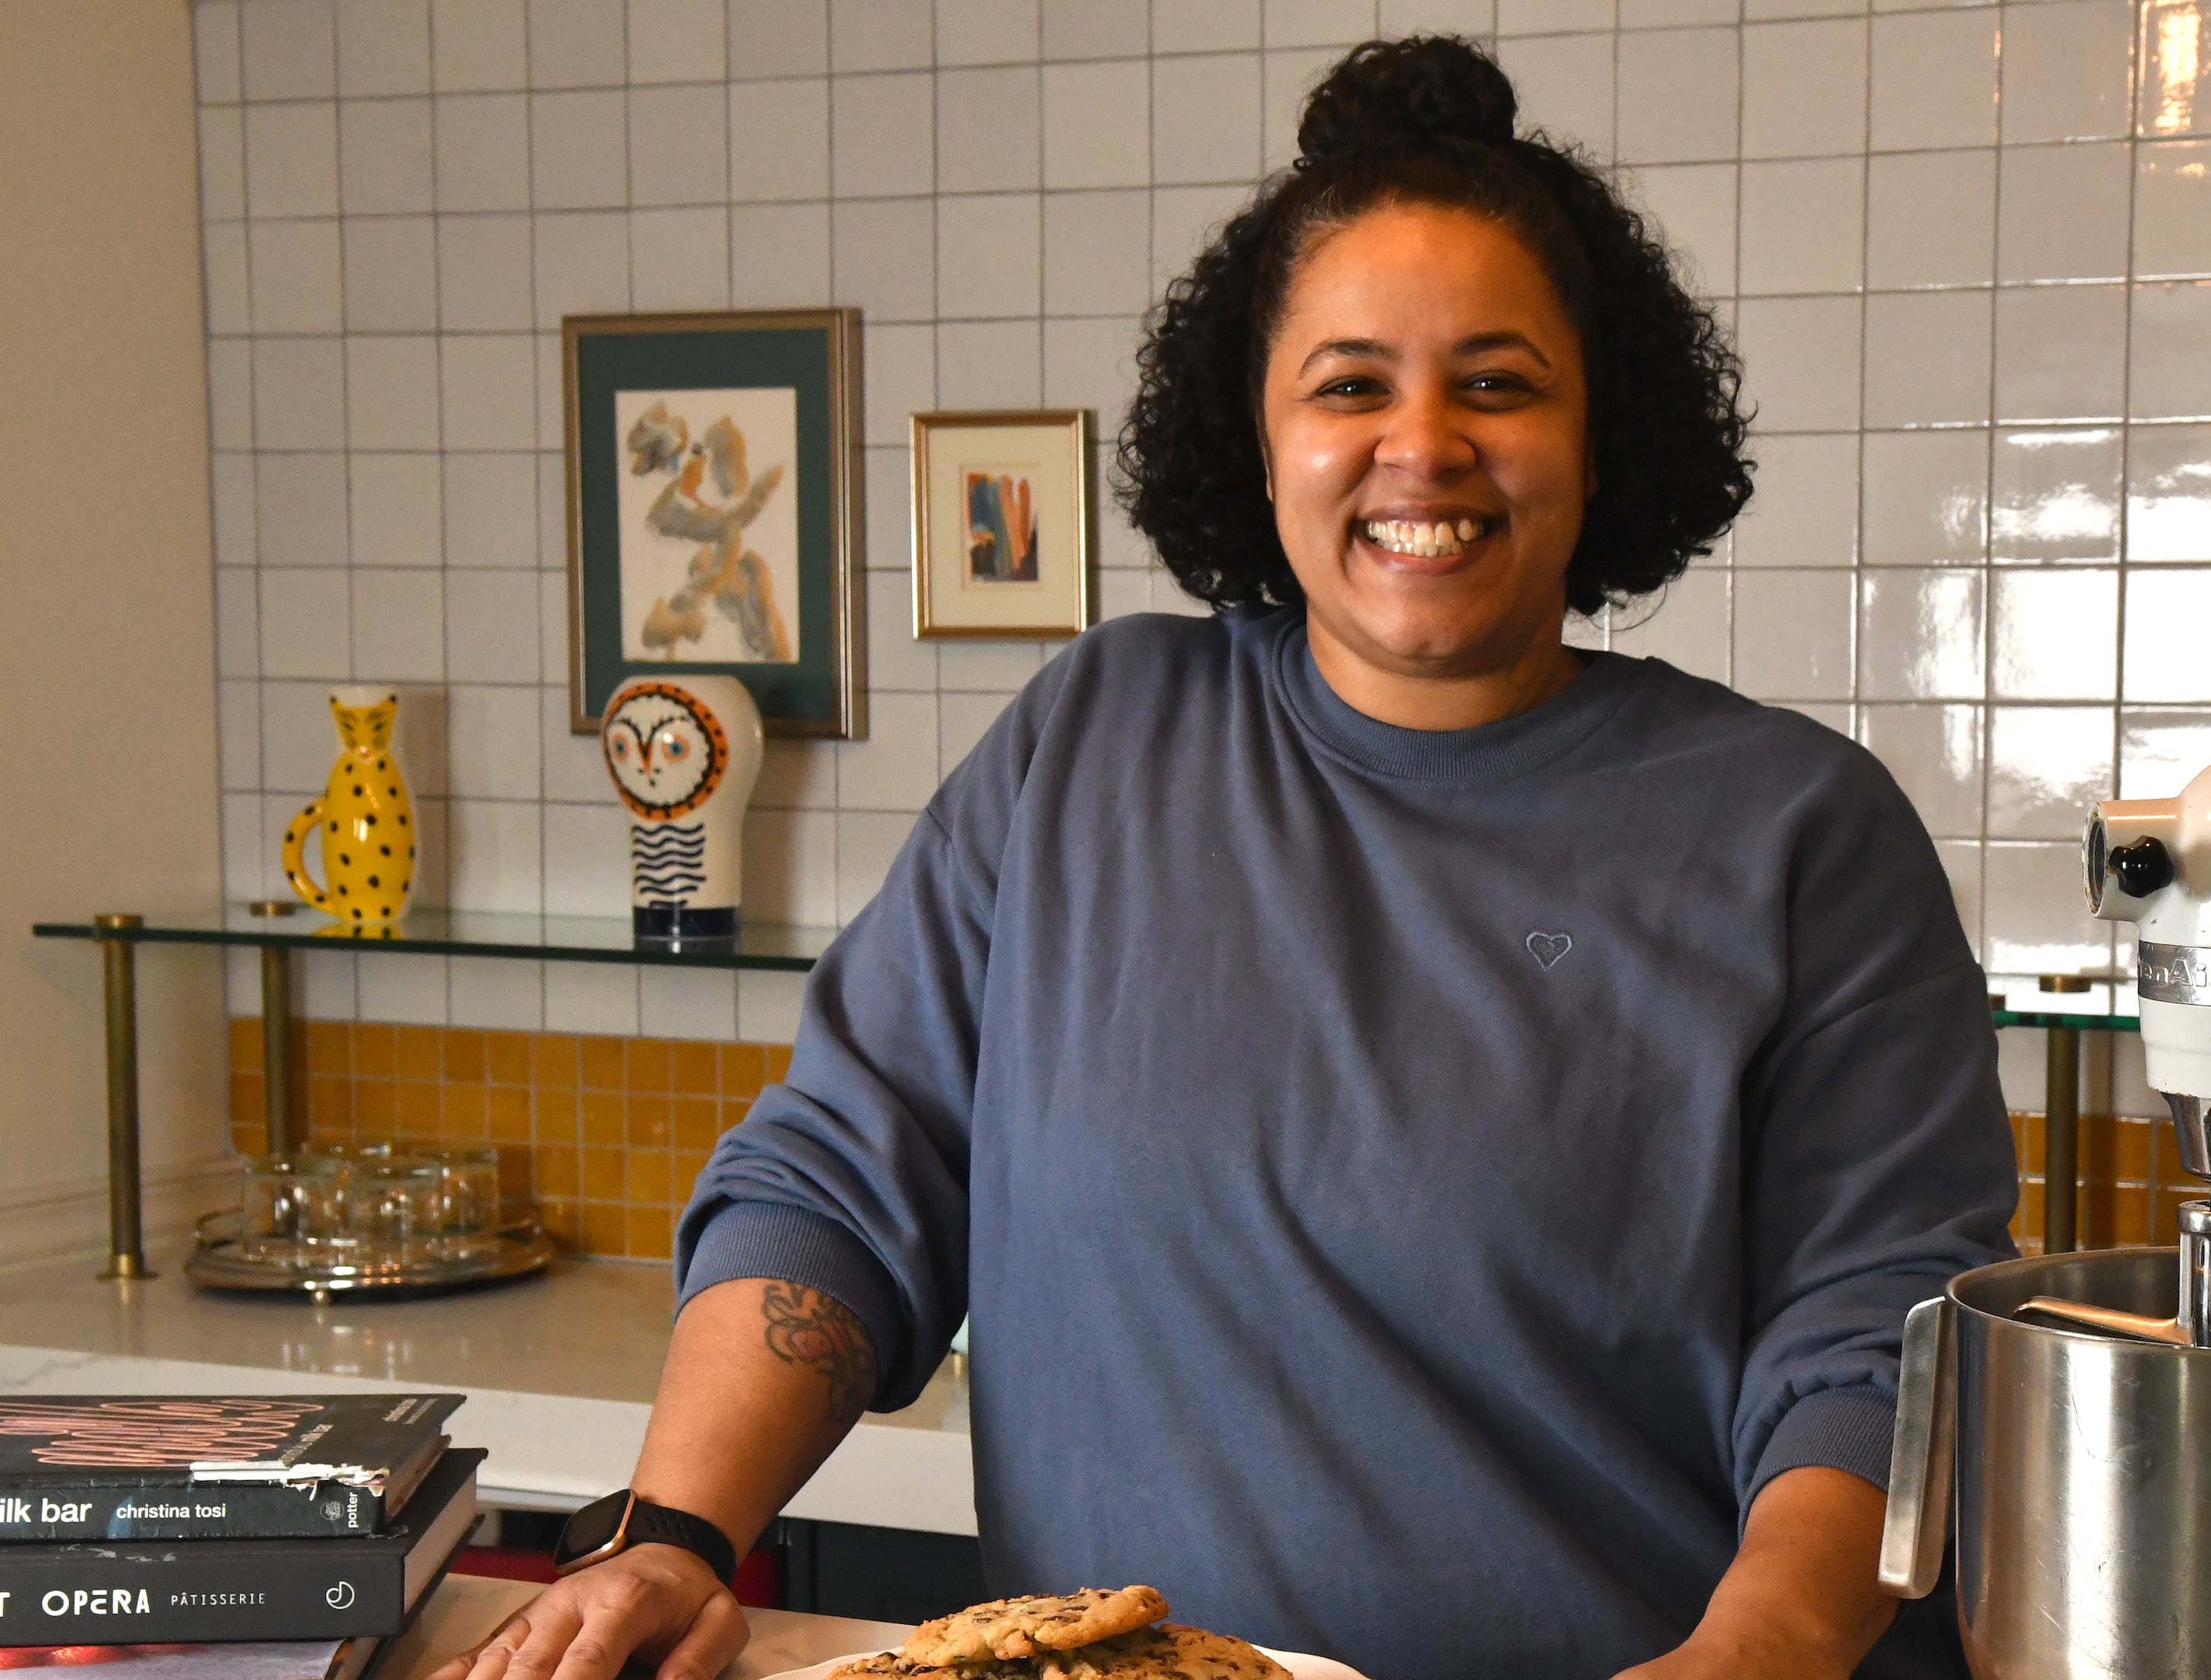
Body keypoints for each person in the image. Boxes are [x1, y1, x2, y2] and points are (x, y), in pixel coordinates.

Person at [440, 36, 2013, 1680]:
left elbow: (1883, 1339)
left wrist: (1751, 1657)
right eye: (1350, 386)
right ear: (1259, 446)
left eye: (1498, 382)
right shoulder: (1088, 745)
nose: (1424, 444)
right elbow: (843, 1175)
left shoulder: (1796, 832)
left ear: (1600, 433)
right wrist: (676, 1535)